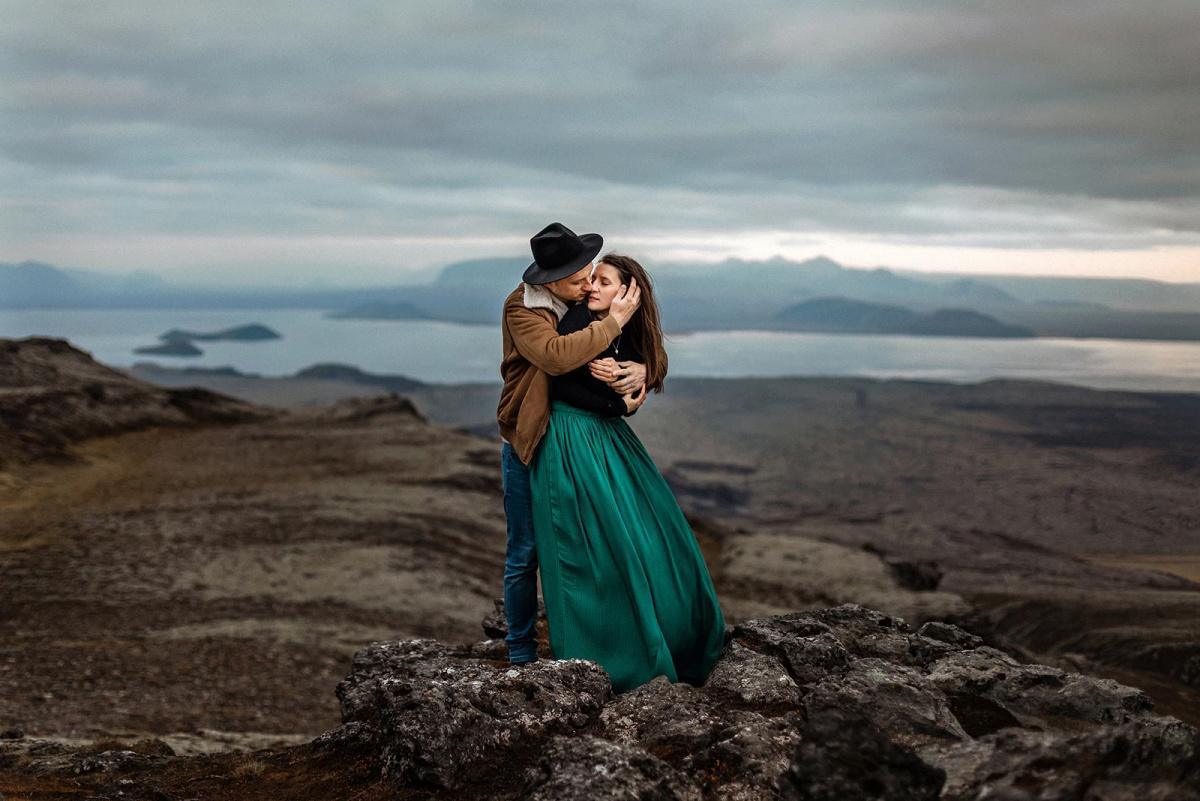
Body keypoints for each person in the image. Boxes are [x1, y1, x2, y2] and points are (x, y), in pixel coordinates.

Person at [529, 253, 727, 693]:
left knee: (653, 533)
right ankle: (607, 654)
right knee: (590, 547)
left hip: (607, 439)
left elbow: (649, 362)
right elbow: (560, 382)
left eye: (602, 281)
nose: (590, 288)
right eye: (591, 280)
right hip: (570, 440)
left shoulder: (619, 327)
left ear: (627, 293)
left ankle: (674, 634)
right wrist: (619, 401)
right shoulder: (578, 320)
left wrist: (639, 372)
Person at [497, 222, 644, 665]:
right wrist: (614, 320)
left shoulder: (584, 299)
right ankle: (520, 651)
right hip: (529, 436)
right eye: (578, 279)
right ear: (550, 281)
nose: (588, 284)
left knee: (589, 546)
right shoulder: (522, 308)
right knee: (526, 552)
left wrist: (644, 372)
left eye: (590, 274)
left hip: (578, 441)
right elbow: (556, 358)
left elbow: (639, 345)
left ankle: (597, 642)